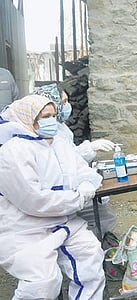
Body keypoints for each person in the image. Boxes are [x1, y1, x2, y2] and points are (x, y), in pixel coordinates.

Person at [0, 95, 105, 299]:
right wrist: (77, 199)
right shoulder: (12, 152)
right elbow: (33, 200)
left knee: (90, 255)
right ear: (28, 119)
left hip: (63, 222)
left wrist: (85, 183)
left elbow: (81, 169)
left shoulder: (57, 143)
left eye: (53, 115)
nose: (51, 121)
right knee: (44, 282)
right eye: (45, 116)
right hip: (24, 229)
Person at [31, 83, 117, 237]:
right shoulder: (42, 133)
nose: (66, 106)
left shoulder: (60, 127)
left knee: (104, 218)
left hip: (68, 192)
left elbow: (71, 158)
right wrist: (90, 148)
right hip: (56, 200)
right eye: (63, 102)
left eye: (67, 101)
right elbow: (66, 161)